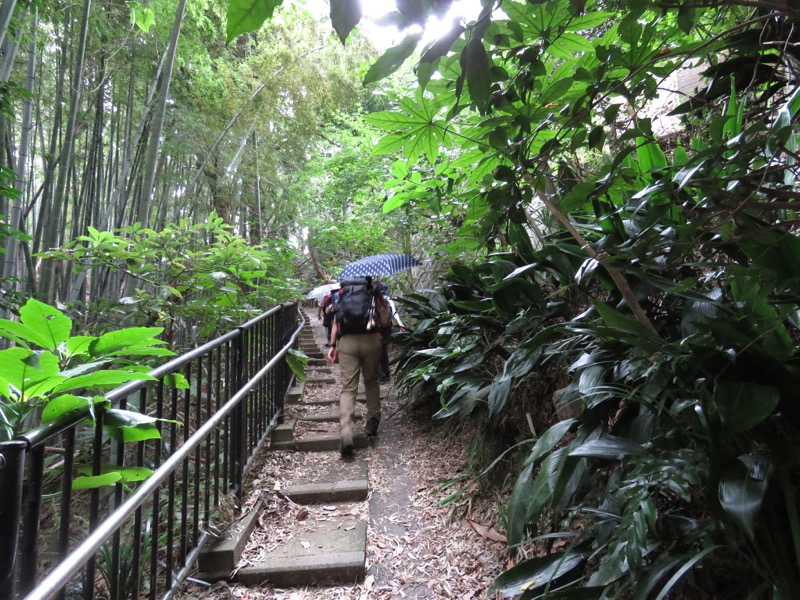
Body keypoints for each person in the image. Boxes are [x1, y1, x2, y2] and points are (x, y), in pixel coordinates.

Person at [327, 277, 390, 458]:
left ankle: (346, 432)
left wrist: (332, 346)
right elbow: (384, 322)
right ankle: (372, 421)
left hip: (346, 342)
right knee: (371, 381)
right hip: (372, 340)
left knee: (348, 389)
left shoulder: (341, 294)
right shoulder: (374, 293)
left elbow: (336, 322)